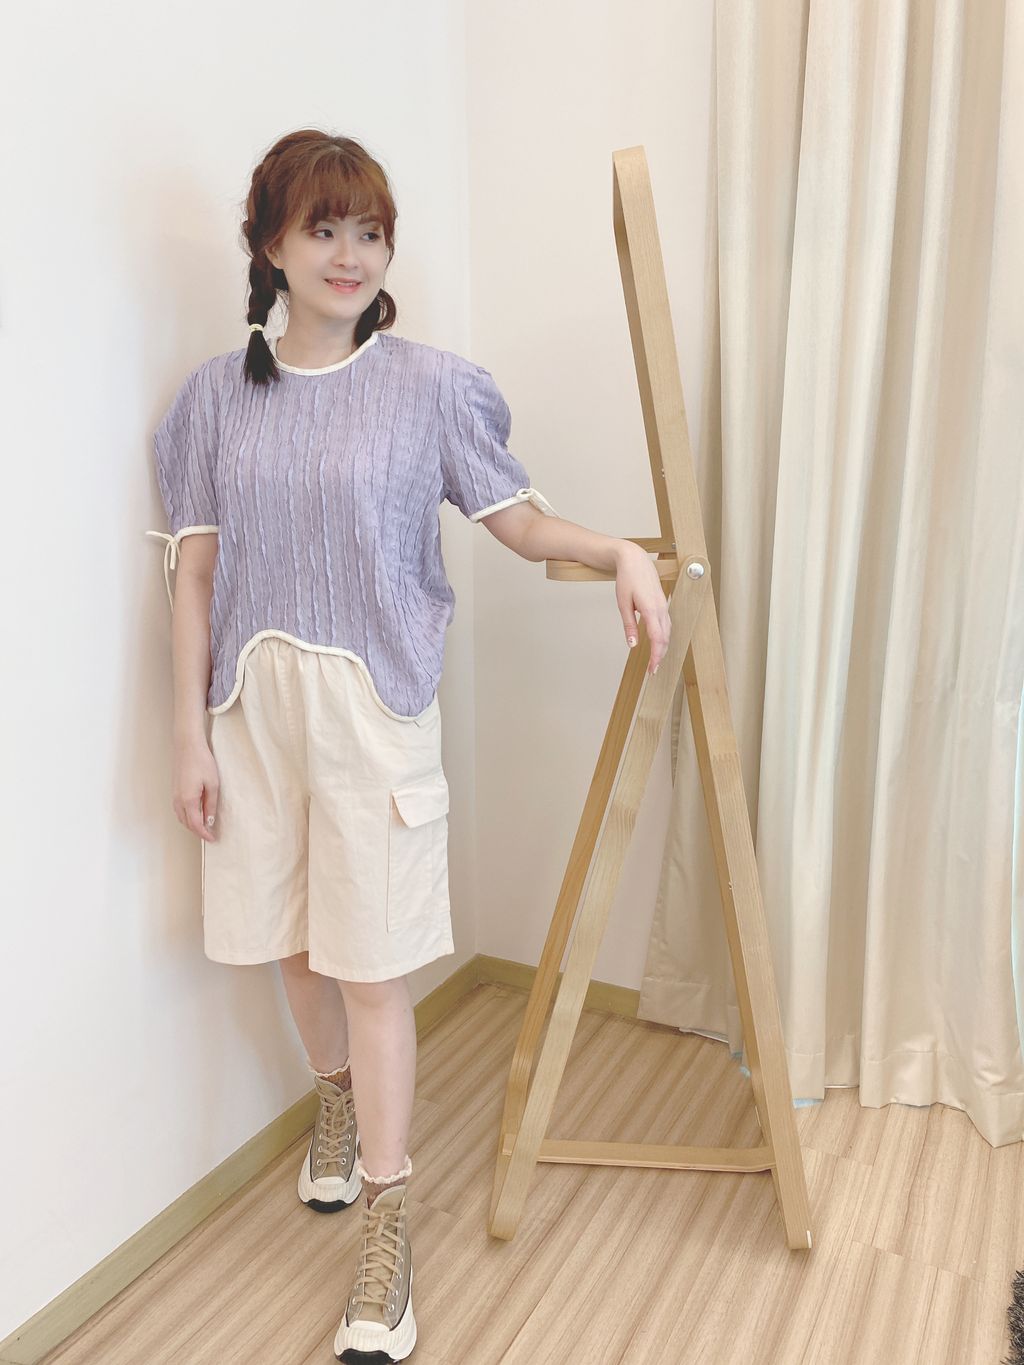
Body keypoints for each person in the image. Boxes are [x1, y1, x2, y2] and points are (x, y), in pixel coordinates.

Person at [145, 129, 670, 1363]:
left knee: (371, 968)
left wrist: (620, 550)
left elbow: (516, 521)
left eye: (369, 231)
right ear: (270, 244)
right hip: (250, 712)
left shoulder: (428, 387)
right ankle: (333, 1105)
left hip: (371, 715)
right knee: (289, 946)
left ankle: (387, 1220)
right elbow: (195, 577)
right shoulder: (214, 399)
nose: (349, 253)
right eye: (322, 228)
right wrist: (188, 736)